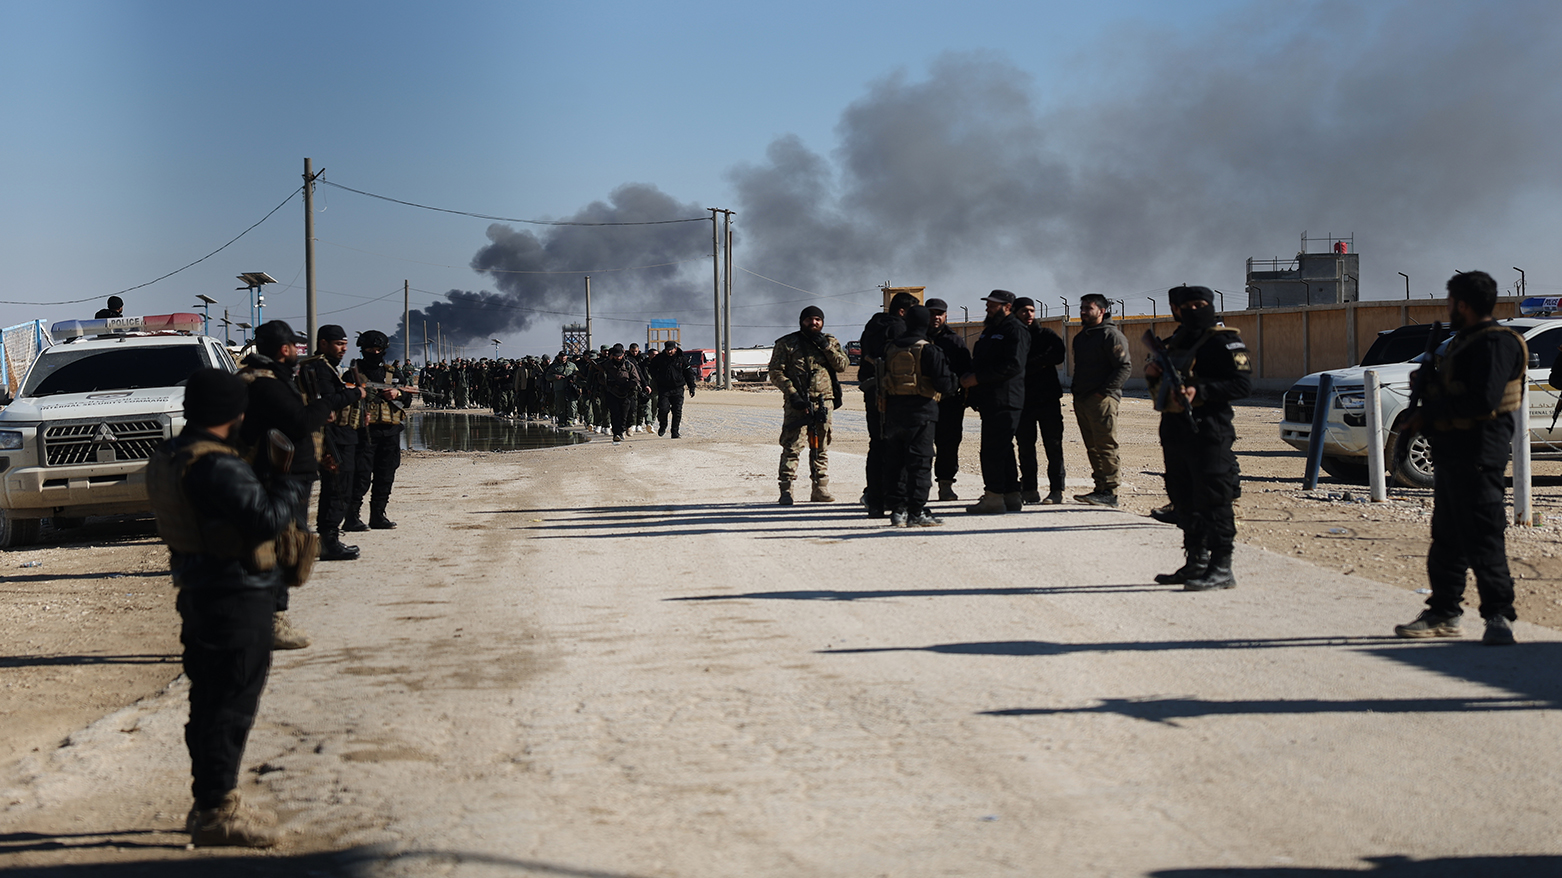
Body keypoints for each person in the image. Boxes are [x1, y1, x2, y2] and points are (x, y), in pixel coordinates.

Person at [146, 368, 307, 847]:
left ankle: (209, 801)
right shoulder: (217, 465)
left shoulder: (173, 454)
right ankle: (217, 812)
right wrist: (286, 480)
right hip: (236, 597)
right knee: (230, 705)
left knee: (210, 702)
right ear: (234, 413)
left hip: (201, 591)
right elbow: (266, 521)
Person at [1395, 271, 1526, 644]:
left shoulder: (1496, 344)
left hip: (1480, 454)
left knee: (1484, 538)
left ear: (1463, 304)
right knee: (1447, 538)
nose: (1449, 309)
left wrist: (1427, 414)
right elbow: (1457, 390)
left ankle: (1499, 616)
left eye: (1452, 302)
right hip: (1452, 454)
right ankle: (1445, 611)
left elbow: (1483, 400)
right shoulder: (1463, 342)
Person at [1146, 285, 1252, 591]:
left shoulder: (1224, 341)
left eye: (1200, 303)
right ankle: (1196, 561)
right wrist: (1155, 372)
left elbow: (1243, 386)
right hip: (1175, 429)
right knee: (1183, 497)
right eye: (1186, 305)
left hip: (1209, 429)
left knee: (1214, 499)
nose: (1194, 310)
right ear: (1176, 310)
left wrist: (1200, 391)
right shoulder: (1178, 340)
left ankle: (1222, 567)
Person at [238, 320, 327, 650]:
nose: (296, 352)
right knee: (281, 547)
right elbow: (300, 422)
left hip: (285, 477)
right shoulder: (266, 383)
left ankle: (266, 616)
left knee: (285, 546)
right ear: (284, 349)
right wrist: (329, 403)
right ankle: (273, 619)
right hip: (277, 479)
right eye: (293, 347)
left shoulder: (270, 378)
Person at [880, 306, 958, 526]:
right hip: (922, 413)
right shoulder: (929, 350)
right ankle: (917, 511)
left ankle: (898, 510)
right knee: (920, 463)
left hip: (893, 413)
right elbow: (945, 384)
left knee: (896, 462)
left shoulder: (890, 348)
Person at [296, 324, 367, 562]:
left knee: (340, 487)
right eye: (338, 344)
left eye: (345, 344)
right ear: (323, 343)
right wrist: (357, 393)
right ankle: (329, 540)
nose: (343, 349)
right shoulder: (319, 368)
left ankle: (330, 538)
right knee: (337, 488)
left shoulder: (326, 367)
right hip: (331, 437)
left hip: (339, 435)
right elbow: (329, 401)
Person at [768, 305, 849, 505]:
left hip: (824, 401)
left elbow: (842, 365)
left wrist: (826, 347)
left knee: (820, 445)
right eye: (809, 319)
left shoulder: (829, 341)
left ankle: (820, 488)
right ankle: (786, 490)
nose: (813, 323)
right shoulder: (787, 343)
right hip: (798, 403)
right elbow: (776, 371)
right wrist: (792, 393)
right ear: (801, 321)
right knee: (792, 445)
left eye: (817, 320)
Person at [959, 290, 1029, 514]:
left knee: (992, 450)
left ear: (1008, 307)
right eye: (988, 304)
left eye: (994, 305)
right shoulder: (992, 330)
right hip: (991, 400)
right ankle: (1010, 495)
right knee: (1002, 449)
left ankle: (993, 497)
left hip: (1006, 399)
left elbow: (1013, 365)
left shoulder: (1015, 329)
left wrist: (977, 378)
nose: (989, 308)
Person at [857, 292, 917, 517]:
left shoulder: (871, 327)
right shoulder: (899, 329)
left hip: (872, 391)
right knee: (895, 446)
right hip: (892, 394)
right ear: (902, 311)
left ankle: (874, 498)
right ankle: (891, 497)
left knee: (877, 444)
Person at [1070, 293, 1133, 507]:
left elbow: (1124, 367)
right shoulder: (1082, 337)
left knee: (1106, 445)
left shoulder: (1111, 335)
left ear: (1102, 311)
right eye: (1082, 308)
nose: (1083, 311)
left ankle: (1110, 491)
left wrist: (1104, 392)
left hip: (1101, 400)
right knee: (1092, 446)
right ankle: (1100, 488)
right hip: (1082, 399)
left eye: (1089, 308)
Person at [344, 330, 409, 531]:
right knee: (361, 477)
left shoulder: (392, 373)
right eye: (371, 349)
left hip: (390, 433)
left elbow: (406, 399)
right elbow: (342, 399)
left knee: (385, 475)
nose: (375, 352)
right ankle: (352, 516)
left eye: (379, 349)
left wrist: (397, 393)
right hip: (364, 434)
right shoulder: (352, 373)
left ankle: (378, 515)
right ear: (363, 350)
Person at [1013, 297, 1068, 505]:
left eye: (1032, 310)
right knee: (1025, 447)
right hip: (1023, 401)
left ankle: (1056, 490)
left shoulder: (1045, 335)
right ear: (1015, 312)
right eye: (1024, 311)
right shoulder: (1015, 336)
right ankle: (1029, 489)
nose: (1029, 315)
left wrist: (1029, 365)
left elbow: (1057, 355)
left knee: (1053, 446)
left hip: (1048, 400)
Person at [926, 298, 973, 501]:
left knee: (948, 445)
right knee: (921, 445)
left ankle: (945, 485)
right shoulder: (916, 338)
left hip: (949, 403)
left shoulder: (954, 342)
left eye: (940, 313)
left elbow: (966, 372)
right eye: (932, 313)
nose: (936, 317)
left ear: (945, 316)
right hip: (922, 402)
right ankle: (918, 486)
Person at [648, 340, 698, 438]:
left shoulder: (682, 359)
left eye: (671, 350)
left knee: (677, 411)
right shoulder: (660, 358)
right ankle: (663, 425)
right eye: (667, 350)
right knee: (663, 409)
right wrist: (657, 377)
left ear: (675, 349)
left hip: (678, 388)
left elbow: (689, 374)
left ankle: (675, 432)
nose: (669, 352)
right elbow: (651, 368)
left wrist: (692, 387)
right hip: (664, 388)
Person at [601, 343, 647, 443]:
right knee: (614, 413)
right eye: (616, 355)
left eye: (620, 355)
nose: (618, 357)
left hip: (626, 394)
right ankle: (617, 433)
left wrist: (626, 385)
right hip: (611, 393)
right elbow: (599, 379)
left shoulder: (629, 365)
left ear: (623, 353)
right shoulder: (606, 366)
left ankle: (622, 430)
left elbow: (636, 379)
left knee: (624, 414)